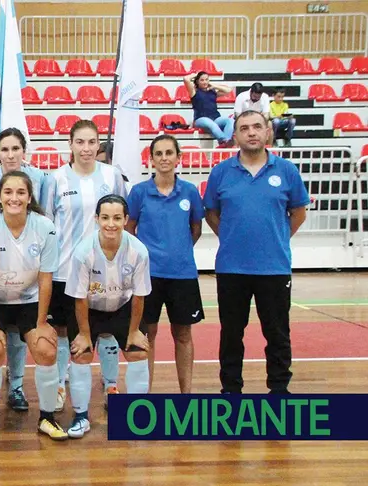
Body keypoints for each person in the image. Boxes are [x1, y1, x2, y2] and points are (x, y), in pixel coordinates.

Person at [204, 110, 310, 394]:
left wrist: (276, 237)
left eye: (256, 127)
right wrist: (231, 236)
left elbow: (299, 213)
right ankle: (231, 389)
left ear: (267, 132)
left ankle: (278, 390)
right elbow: (211, 213)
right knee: (231, 335)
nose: (251, 132)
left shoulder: (286, 171)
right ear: (235, 135)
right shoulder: (221, 172)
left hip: (274, 268)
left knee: (277, 334)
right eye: (244, 128)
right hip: (231, 268)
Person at [0, 171, 68, 442]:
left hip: (28, 300)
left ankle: (47, 418)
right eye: (8, 192)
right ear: (0, 197)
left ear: (29, 197)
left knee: (47, 351)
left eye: (20, 192)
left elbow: (46, 279)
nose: (14, 198)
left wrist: (40, 323)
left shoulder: (44, 227)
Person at [41, 119, 126, 413]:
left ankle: (111, 383)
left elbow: (121, 219)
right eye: (80, 142)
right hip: (65, 271)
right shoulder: (55, 179)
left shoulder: (112, 176)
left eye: (92, 142)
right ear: (71, 144)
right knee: (65, 331)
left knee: (106, 330)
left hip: (105, 271)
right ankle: (62, 383)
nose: (86, 148)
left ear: (99, 144)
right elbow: (48, 226)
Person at [65, 194, 152, 438]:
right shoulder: (83, 253)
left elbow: (139, 295)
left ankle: (136, 416)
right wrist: (83, 334)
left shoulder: (139, 251)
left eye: (116, 218)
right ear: (96, 219)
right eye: (105, 218)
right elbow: (79, 297)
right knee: (80, 355)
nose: (110, 224)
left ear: (126, 219)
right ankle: (81, 417)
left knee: (138, 351)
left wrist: (134, 331)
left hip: (123, 307)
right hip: (89, 309)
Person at [0, 128, 44, 412]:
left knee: (16, 336)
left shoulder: (39, 178)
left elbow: (42, 215)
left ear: (24, 152)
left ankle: (15, 386)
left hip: (25, 266)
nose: (10, 154)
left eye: (16, 149)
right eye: (5, 149)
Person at [126, 135, 204, 393]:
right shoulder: (138, 192)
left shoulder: (190, 192)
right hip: (148, 277)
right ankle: (144, 395)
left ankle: (186, 395)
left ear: (178, 158)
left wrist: (177, 252)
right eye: (158, 153)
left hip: (183, 275)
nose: (164, 158)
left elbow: (195, 229)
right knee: (147, 336)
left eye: (169, 152)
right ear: (151, 159)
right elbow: (129, 230)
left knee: (183, 335)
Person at [184, 71, 234, 147]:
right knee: (210, 123)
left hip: (216, 119)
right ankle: (223, 140)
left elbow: (228, 90)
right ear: (197, 81)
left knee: (231, 121)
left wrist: (213, 85)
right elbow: (186, 79)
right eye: (202, 80)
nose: (205, 82)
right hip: (200, 119)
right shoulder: (194, 92)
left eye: (207, 79)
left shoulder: (212, 91)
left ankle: (226, 141)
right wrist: (197, 74)